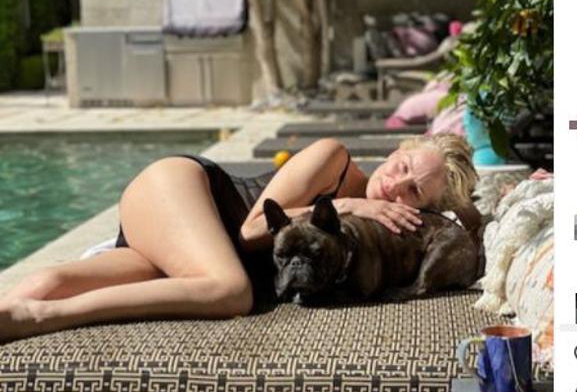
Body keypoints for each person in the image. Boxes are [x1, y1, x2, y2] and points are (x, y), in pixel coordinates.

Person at [0, 134, 478, 342]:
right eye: (402, 167)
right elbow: (252, 230)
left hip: (186, 246)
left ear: (423, 209)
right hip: (185, 189)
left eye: (415, 191)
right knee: (231, 291)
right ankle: (41, 320)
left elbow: (463, 228)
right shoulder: (333, 160)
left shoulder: (385, 232)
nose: (396, 186)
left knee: (49, 285)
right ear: (394, 152)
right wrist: (351, 204)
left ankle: (23, 310)